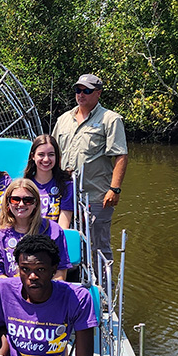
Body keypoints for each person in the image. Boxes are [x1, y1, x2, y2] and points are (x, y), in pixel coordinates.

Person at [51, 74, 127, 263]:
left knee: (98, 245)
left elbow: (121, 155)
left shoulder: (111, 119)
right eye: (78, 90)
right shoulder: (63, 119)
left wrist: (114, 189)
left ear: (98, 93)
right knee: (62, 239)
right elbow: (52, 152)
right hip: (64, 194)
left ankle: (102, 288)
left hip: (96, 195)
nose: (81, 94)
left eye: (87, 91)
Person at [0, 179, 69, 281]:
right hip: (12, 291)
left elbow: (60, 272)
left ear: (36, 203)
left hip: (46, 290)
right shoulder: (0, 234)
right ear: (8, 202)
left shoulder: (53, 230)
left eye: (28, 200)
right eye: (15, 199)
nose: (21, 204)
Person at [24, 133, 74, 229]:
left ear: (57, 157)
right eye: (41, 155)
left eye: (51, 155)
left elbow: (63, 226)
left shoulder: (66, 185)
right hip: (30, 238)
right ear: (33, 156)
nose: (46, 159)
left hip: (54, 238)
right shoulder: (26, 186)